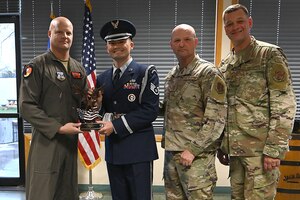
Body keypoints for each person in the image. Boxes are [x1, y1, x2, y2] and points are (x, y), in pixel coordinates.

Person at [217, 4, 297, 200]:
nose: (235, 27)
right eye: (229, 24)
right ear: (225, 29)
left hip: (261, 152)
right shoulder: (227, 63)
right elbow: (224, 107)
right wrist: (222, 144)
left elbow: (284, 104)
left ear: (249, 23)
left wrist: (273, 149)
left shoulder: (269, 54)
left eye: (240, 22)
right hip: (235, 152)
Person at [19, 17, 87, 200]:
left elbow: (85, 104)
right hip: (46, 141)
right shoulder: (37, 66)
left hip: (70, 143)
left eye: (69, 33)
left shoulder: (78, 68)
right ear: (50, 34)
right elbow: (26, 106)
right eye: (59, 31)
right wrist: (57, 127)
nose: (65, 36)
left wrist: (95, 104)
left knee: (67, 192)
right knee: (42, 192)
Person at [161, 24, 227, 199]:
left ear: (195, 42)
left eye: (187, 39)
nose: (182, 44)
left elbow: (216, 119)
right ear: (171, 45)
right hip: (171, 155)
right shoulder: (172, 76)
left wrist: (192, 150)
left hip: (196, 158)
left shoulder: (208, 73)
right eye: (177, 40)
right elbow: (167, 110)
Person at [95, 19, 159, 200]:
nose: (116, 46)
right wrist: (98, 106)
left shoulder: (145, 73)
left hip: (138, 150)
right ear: (107, 47)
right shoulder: (102, 78)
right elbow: (103, 113)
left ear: (132, 44)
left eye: (121, 41)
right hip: (114, 150)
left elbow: (150, 111)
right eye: (111, 43)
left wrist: (115, 126)